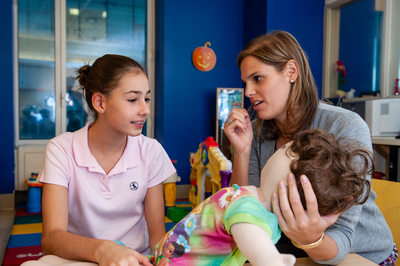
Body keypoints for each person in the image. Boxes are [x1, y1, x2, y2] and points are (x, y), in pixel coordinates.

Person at [223, 30, 396, 265]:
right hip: (292, 245)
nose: (248, 92)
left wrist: (309, 240)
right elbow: (249, 209)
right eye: (246, 82)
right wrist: (242, 152)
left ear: (291, 72)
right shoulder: (257, 131)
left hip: (357, 251)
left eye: (258, 78)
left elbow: (342, 237)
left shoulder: (345, 126)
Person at [23, 54, 176, 266]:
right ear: (100, 102)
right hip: (80, 258)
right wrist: (104, 250)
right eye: (133, 99)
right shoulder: (61, 149)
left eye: (146, 98)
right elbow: (51, 239)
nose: (145, 110)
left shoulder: (151, 151)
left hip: (134, 259)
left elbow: (158, 238)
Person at [150, 129, 374, 266]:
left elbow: (254, 242)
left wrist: (270, 260)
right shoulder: (248, 198)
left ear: (287, 181)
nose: (280, 147)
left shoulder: (250, 210)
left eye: (286, 148)